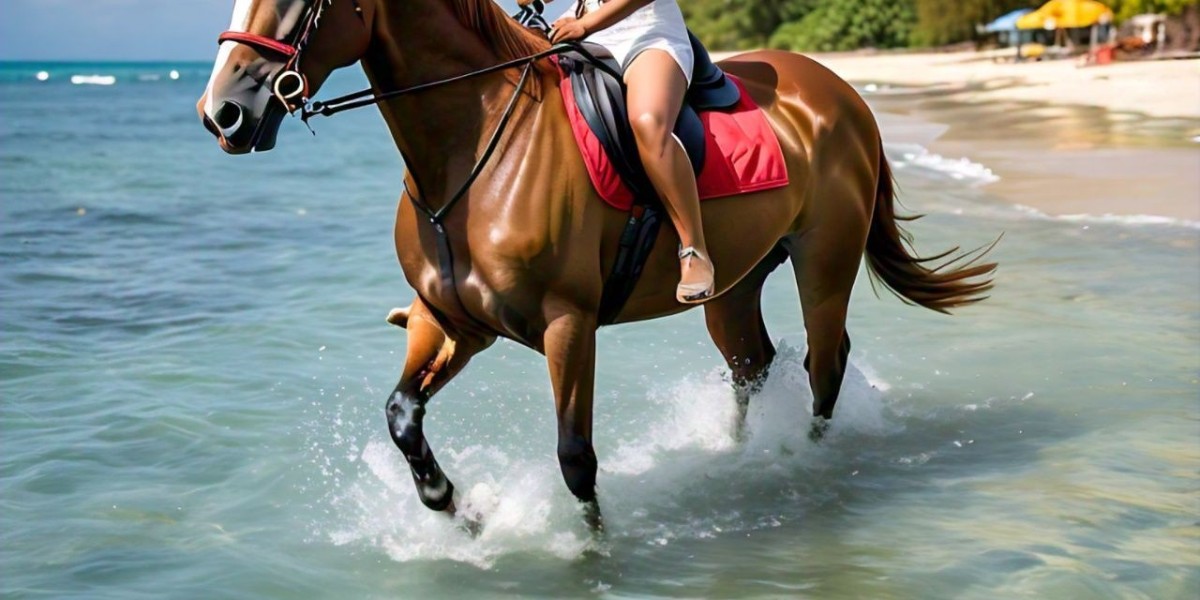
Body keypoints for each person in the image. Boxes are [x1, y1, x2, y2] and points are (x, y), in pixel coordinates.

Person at [550, 0, 715, 304]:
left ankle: (695, 249)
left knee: (648, 122)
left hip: (647, 36)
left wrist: (586, 24)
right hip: (581, 30)